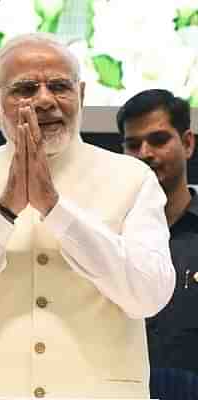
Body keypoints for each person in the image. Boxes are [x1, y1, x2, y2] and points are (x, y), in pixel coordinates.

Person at [0, 33, 176, 399]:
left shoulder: (132, 179)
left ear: (82, 95)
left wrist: (57, 211)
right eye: (26, 89)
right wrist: (1, 213)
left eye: (60, 86)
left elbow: (149, 295)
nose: (45, 100)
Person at [118, 89, 198, 399]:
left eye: (159, 140)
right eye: (133, 144)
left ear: (188, 143)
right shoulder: (107, 236)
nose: (145, 153)